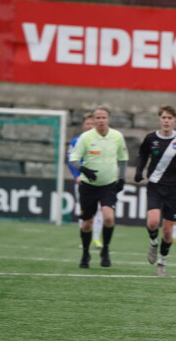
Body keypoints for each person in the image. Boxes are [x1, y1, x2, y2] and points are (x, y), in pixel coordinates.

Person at [134, 105, 176, 277]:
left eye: (170, 118)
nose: (166, 121)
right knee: (153, 222)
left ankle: (162, 262)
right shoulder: (151, 138)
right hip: (154, 185)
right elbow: (142, 155)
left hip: (174, 188)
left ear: (174, 121)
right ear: (159, 120)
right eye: (164, 117)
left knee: (168, 232)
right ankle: (153, 242)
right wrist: (139, 171)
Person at [68, 105, 127, 268]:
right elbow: (73, 159)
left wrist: (121, 179)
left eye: (104, 117)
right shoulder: (85, 137)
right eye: (98, 118)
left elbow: (123, 159)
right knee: (87, 224)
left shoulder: (117, 136)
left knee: (108, 218)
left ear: (109, 119)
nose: (101, 120)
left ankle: (105, 250)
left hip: (108, 185)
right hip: (88, 186)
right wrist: (84, 169)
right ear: (93, 120)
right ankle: (85, 253)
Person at [68, 113, 104, 249]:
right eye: (87, 124)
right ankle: (84, 238)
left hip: (99, 181)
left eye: (91, 124)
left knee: (100, 209)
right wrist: (76, 175)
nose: (89, 126)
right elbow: (70, 160)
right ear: (83, 125)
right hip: (83, 180)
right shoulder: (76, 141)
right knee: (84, 209)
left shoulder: (102, 139)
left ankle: (96, 238)